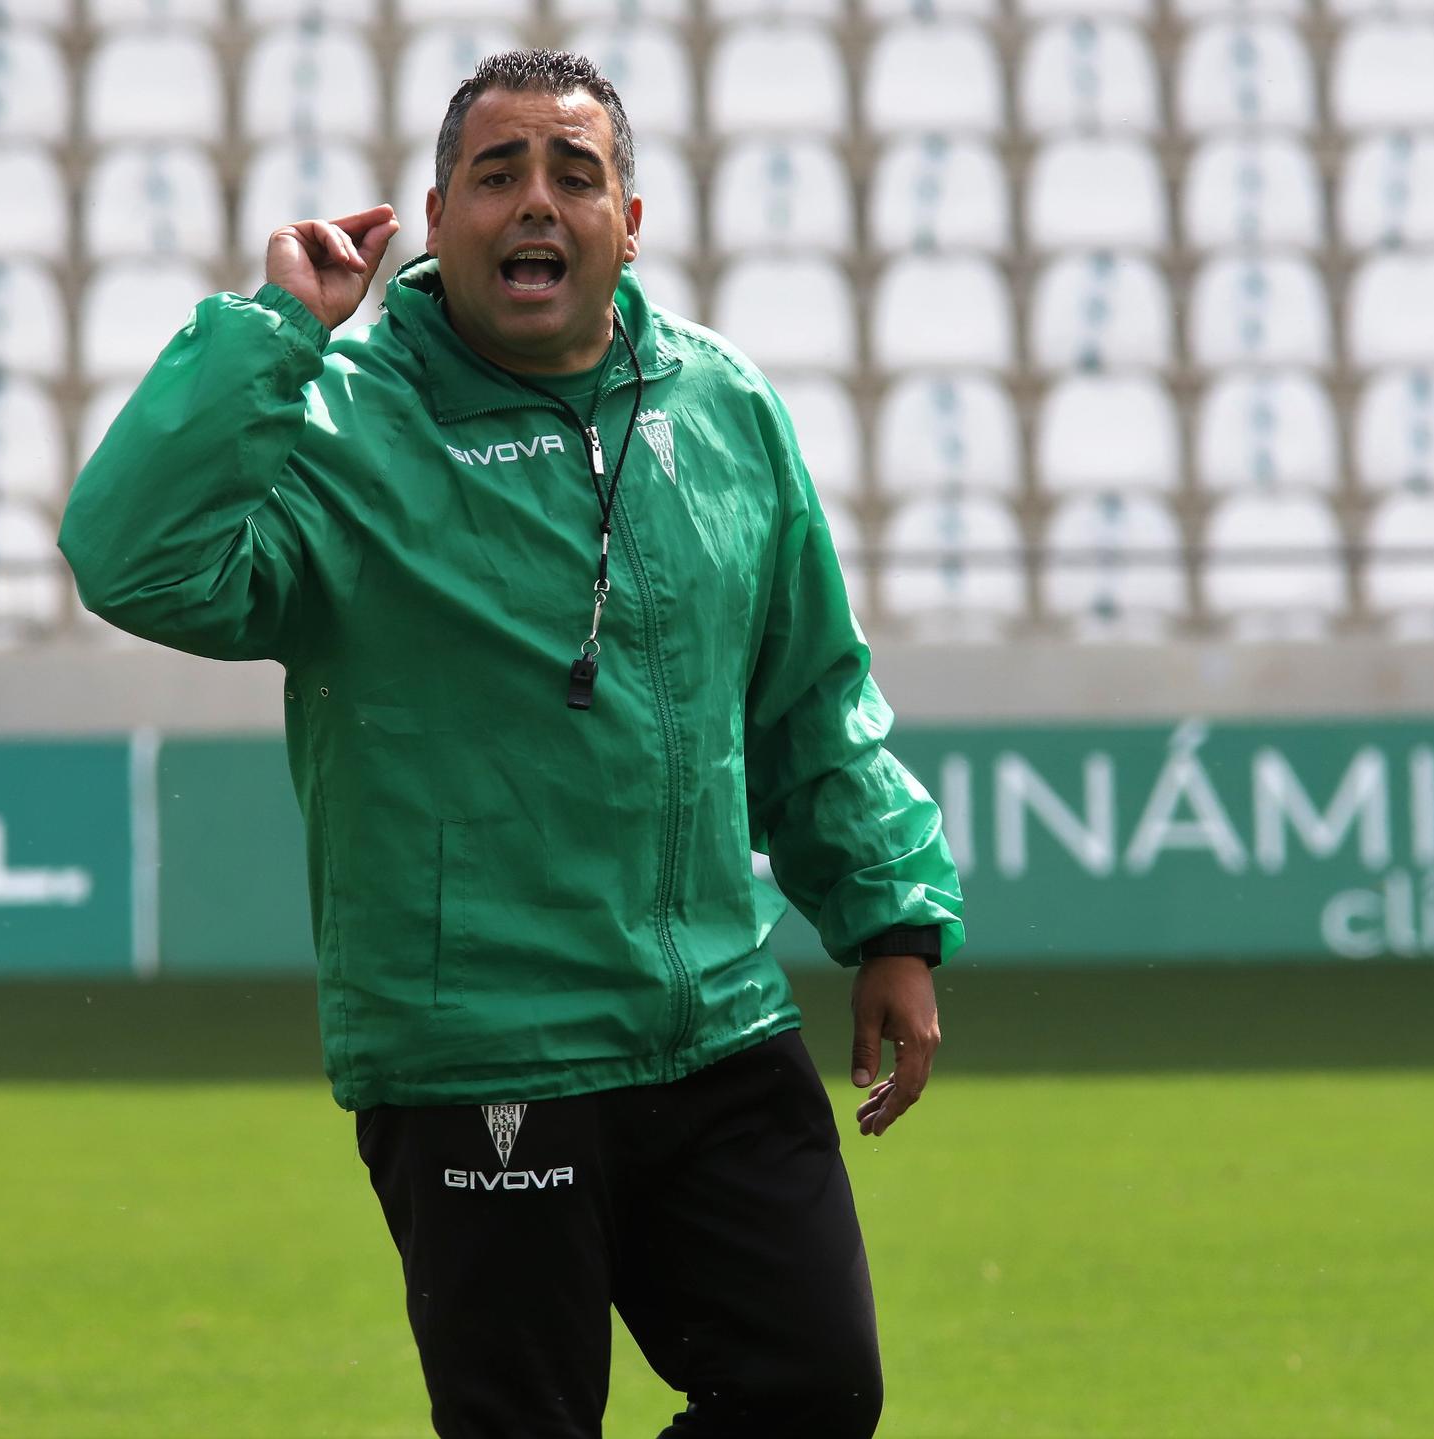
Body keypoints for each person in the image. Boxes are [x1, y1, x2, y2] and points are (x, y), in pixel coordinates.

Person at [60, 49, 964, 1439]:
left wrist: (890, 918)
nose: (536, 202)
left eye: (573, 173)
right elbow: (133, 562)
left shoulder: (723, 410)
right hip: (482, 1054)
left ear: (631, 221)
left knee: (815, 1395)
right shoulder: (342, 425)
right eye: (498, 176)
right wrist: (270, 334)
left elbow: (807, 695)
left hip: (715, 1026)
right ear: (436, 218)